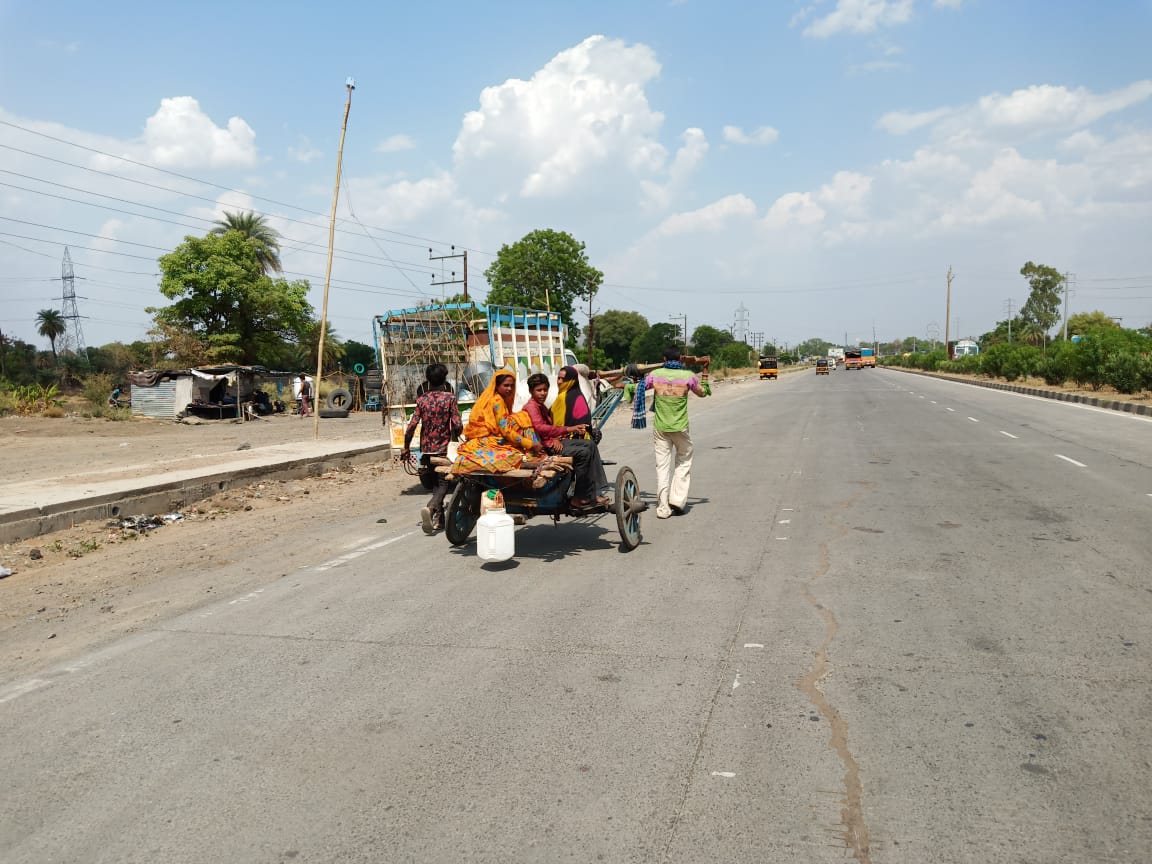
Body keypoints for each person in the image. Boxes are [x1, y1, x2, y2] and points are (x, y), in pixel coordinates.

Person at [631, 345, 710, 519]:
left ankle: (663, 507)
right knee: (683, 462)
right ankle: (677, 499)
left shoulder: (655, 375)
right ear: (680, 359)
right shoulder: (688, 376)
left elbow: (638, 388)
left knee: (662, 467)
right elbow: (703, 392)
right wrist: (704, 371)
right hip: (680, 428)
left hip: (660, 428)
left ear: (664, 359)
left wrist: (628, 384)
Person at [523, 372, 609, 508]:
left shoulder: (541, 406)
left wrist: (555, 437)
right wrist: (568, 429)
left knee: (590, 444)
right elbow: (539, 428)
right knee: (583, 453)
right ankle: (578, 497)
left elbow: (548, 428)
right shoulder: (532, 407)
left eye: (545, 390)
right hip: (544, 447)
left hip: (551, 441)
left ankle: (593, 492)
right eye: (539, 390)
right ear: (531, 391)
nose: (543, 393)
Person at [401, 363, 464, 535]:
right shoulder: (449, 398)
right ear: (444, 379)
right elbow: (458, 424)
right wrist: (456, 434)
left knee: (436, 485)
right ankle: (430, 508)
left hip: (427, 450)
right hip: (443, 449)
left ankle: (440, 520)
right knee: (444, 484)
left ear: (427, 380)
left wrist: (406, 448)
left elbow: (411, 426)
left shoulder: (422, 400)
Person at [452, 370, 544, 475]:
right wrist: (530, 444)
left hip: (486, 435)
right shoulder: (497, 401)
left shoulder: (497, 398)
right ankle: (534, 453)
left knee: (520, 417)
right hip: (486, 438)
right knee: (523, 418)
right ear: (497, 386)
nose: (509, 389)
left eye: (512, 385)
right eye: (506, 385)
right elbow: (506, 431)